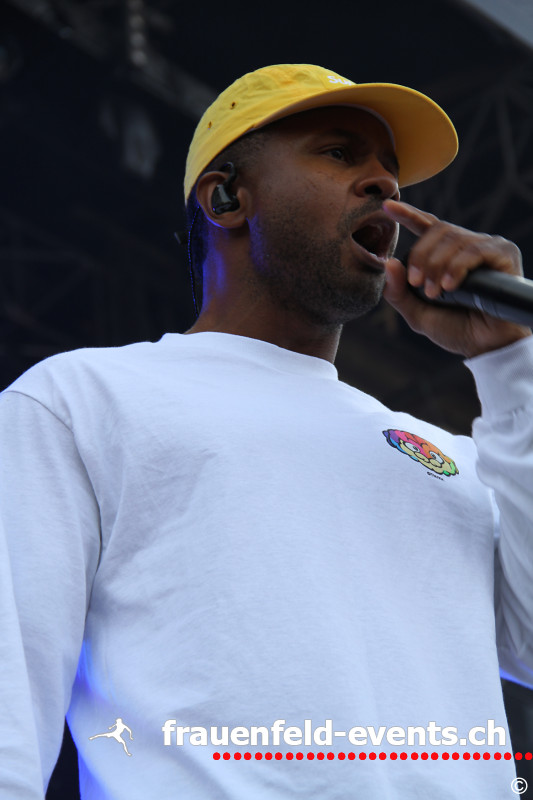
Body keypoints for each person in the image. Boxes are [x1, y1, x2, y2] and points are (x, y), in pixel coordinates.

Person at [1, 62, 532, 800]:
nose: (384, 184)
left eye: (390, 171)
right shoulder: (83, 399)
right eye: (340, 153)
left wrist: (508, 364)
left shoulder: (452, 458)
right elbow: (11, 678)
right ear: (226, 197)